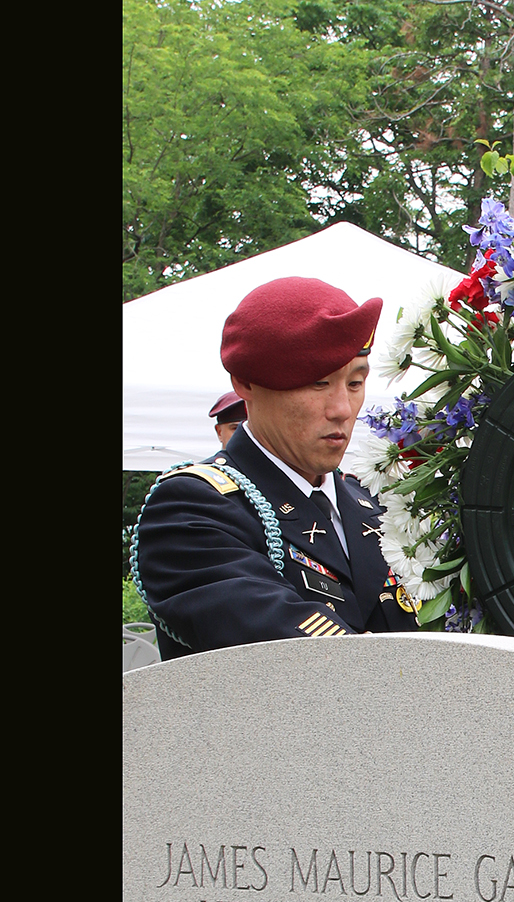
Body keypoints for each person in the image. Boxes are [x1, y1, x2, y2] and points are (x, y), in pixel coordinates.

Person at [134, 279, 420, 659]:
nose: (343, 409)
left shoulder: (367, 500)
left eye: (355, 382)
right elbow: (277, 644)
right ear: (246, 384)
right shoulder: (189, 507)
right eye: (319, 383)